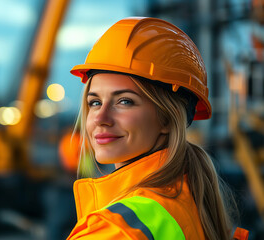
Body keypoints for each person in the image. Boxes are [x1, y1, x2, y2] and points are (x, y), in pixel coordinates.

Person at [66, 17, 249, 240]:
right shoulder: (184, 201)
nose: (101, 118)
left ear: (167, 119)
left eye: (124, 101)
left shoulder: (117, 229)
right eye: (95, 102)